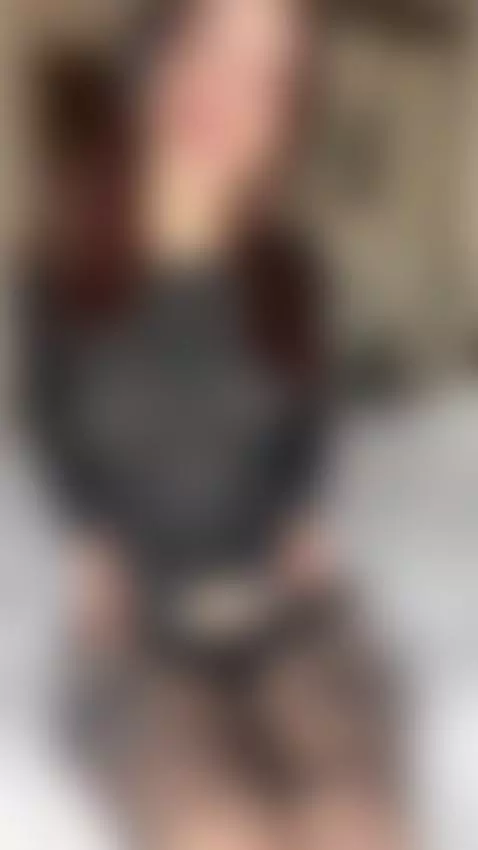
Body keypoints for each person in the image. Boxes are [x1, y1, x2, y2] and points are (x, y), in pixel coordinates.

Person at [30, 2, 404, 848]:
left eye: (269, 79)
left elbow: (308, 426)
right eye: (211, 50)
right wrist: (90, 541)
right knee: (217, 829)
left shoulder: (291, 273)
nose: (232, 95)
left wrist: (301, 512)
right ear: (154, 60)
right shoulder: (64, 274)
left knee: (356, 822)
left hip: (284, 611)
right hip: (136, 632)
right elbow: (56, 428)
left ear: (286, 117)